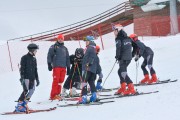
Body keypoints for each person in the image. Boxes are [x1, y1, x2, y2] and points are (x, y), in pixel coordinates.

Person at [15, 43, 40, 112]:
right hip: (26, 78)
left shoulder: (34, 59)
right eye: (35, 50)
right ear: (32, 50)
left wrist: (37, 79)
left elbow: (35, 70)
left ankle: (24, 104)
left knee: (31, 91)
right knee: (25, 90)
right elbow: (22, 68)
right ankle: (19, 106)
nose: (36, 52)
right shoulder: (24, 58)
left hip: (32, 78)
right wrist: (22, 77)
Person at [114, 24, 136, 95]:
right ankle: (123, 87)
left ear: (118, 30)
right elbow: (135, 46)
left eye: (115, 30)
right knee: (120, 71)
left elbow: (118, 48)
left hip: (123, 58)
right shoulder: (128, 38)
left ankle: (131, 88)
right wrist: (132, 54)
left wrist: (117, 56)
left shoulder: (118, 38)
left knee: (123, 73)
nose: (114, 32)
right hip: (128, 58)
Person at [47, 34, 70, 100]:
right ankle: (53, 95)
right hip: (56, 66)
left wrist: (68, 67)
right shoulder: (53, 47)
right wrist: (49, 64)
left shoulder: (65, 48)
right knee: (56, 81)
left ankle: (57, 94)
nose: (60, 40)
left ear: (63, 39)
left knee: (61, 81)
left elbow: (67, 58)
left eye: (61, 38)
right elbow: (49, 55)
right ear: (57, 39)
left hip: (63, 67)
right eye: (59, 38)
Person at [78, 36, 98, 104]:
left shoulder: (90, 48)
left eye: (87, 41)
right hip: (92, 69)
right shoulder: (93, 47)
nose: (86, 43)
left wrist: (89, 63)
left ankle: (84, 97)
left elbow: (91, 57)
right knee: (91, 81)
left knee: (84, 82)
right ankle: (94, 95)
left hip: (88, 68)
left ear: (90, 41)